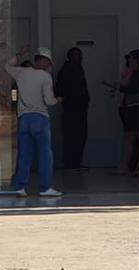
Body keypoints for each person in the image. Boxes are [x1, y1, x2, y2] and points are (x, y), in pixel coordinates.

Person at [5, 48, 63, 197]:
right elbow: (49, 101)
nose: (49, 66)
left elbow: (7, 66)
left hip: (23, 118)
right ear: (43, 60)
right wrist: (58, 100)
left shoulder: (21, 72)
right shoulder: (45, 76)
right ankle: (45, 187)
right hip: (40, 118)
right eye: (48, 62)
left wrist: (19, 54)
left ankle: (20, 186)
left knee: (25, 154)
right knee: (45, 154)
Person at [54, 46, 90, 170]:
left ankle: (76, 162)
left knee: (80, 135)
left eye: (80, 56)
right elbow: (59, 89)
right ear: (70, 57)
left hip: (80, 109)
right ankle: (71, 163)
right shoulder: (66, 70)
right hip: (71, 109)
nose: (80, 58)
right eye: (76, 56)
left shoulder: (78, 68)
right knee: (72, 136)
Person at [118, 49, 139, 175]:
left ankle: (128, 166)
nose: (129, 61)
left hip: (135, 107)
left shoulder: (138, 74)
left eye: (131, 58)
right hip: (134, 107)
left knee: (131, 137)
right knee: (138, 138)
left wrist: (120, 87)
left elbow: (133, 89)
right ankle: (137, 166)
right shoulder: (137, 73)